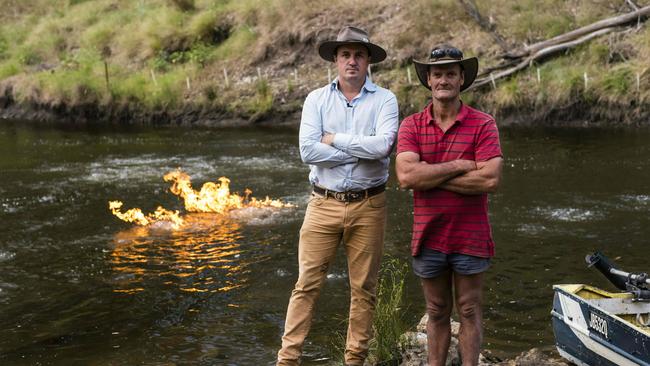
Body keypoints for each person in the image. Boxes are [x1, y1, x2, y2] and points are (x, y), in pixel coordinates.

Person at [276, 25, 399, 366]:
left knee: (364, 290)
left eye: (359, 54)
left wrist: (335, 139)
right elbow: (307, 151)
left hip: (370, 205)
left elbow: (384, 146)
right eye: (345, 54)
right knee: (306, 285)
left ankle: (354, 361)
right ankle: (287, 360)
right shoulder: (317, 98)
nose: (352, 61)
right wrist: (360, 150)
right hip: (322, 203)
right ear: (335, 59)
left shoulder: (385, 99)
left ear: (368, 61)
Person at [395, 45, 503, 366]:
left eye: (451, 74)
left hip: (470, 235)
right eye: (438, 73)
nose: (444, 80)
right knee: (437, 310)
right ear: (428, 80)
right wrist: (460, 165)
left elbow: (490, 180)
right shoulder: (411, 125)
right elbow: (405, 175)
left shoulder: (483, 124)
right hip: (428, 235)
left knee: (469, 309)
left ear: (461, 79)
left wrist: (428, 176)